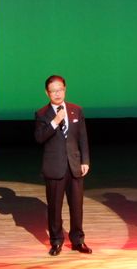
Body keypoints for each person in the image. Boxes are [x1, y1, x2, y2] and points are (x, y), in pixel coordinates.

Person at [34, 75, 92, 256]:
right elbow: (39, 138)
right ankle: (56, 241)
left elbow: (82, 137)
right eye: (53, 91)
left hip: (74, 165)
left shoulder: (76, 110)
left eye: (60, 90)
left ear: (65, 89)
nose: (57, 94)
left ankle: (78, 240)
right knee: (54, 207)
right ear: (47, 93)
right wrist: (55, 122)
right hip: (54, 167)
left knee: (77, 206)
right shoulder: (42, 114)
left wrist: (85, 160)